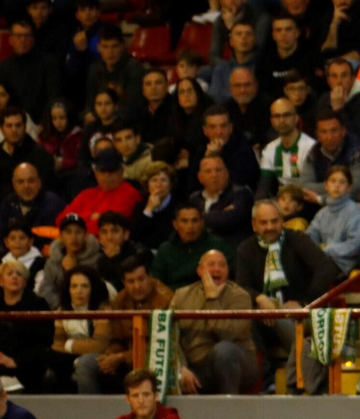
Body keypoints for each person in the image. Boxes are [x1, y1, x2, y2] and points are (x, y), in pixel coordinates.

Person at [237, 200, 339, 389]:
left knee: (285, 322)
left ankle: (299, 385)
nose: (270, 227)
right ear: (254, 225)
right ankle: (267, 382)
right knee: (246, 319)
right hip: (263, 318)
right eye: (264, 222)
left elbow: (326, 268)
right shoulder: (246, 249)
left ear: (282, 221)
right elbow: (242, 286)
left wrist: (304, 302)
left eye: (274, 221)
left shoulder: (297, 240)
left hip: (299, 315)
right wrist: (260, 299)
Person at [79, 257, 173, 395]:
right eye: (131, 281)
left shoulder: (165, 300)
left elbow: (160, 348)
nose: (136, 286)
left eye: (141, 279)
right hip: (126, 362)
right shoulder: (120, 300)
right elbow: (117, 339)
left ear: (150, 277)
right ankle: (89, 414)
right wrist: (109, 357)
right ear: (124, 283)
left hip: (155, 364)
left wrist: (120, 357)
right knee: (85, 364)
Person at [171, 249, 255, 396]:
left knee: (223, 350)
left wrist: (212, 299)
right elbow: (170, 336)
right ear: (200, 271)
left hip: (238, 362)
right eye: (211, 264)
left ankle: (229, 407)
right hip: (194, 367)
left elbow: (227, 335)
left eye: (222, 265)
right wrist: (181, 367)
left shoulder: (240, 296)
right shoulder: (181, 295)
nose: (217, 269)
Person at [0, 258, 53, 392]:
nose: (14, 277)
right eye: (10, 274)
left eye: (19, 274)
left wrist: (15, 361)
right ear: (1, 281)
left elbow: (44, 341)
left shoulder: (38, 304)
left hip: (24, 361)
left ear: (25, 281)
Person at [0, 19, 62, 124]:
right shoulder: (0, 69)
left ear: (33, 39)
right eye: (18, 36)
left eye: (26, 36)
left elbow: (53, 99)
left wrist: (44, 125)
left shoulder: (49, 64)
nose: (23, 40)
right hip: (9, 125)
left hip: (42, 126)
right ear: (11, 40)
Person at [305, 165, 360, 272]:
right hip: (322, 258)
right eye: (333, 181)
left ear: (349, 187)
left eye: (342, 182)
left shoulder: (355, 212)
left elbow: (356, 244)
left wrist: (326, 249)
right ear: (326, 185)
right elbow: (310, 235)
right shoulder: (322, 213)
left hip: (344, 264)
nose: (337, 185)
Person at [59, 149, 141, 229]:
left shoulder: (129, 194)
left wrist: (77, 220)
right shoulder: (87, 194)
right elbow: (61, 219)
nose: (107, 176)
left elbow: (105, 228)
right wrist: (90, 216)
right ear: (95, 173)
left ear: (121, 171)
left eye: (112, 171)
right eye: (103, 171)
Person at [189, 153, 254, 246]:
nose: (214, 175)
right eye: (208, 171)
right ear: (200, 177)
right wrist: (220, 213)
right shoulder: (194, 198)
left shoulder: (240, 194)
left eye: (218, 170)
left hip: (231, 249)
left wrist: (199, 218)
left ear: (227, 173)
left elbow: (228, 220)